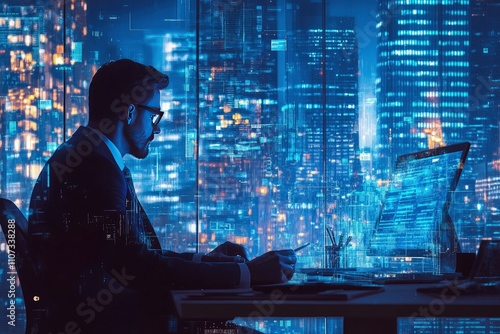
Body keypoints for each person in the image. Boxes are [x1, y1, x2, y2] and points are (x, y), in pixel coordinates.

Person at [28, 59, 296, 333]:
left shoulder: (87, 157)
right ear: (129, 112)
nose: (157, 129)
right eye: (154, 116)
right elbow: (136, 266)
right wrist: (249, 274)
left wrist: (204, 261)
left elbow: (132, 254)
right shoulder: (96, 169)